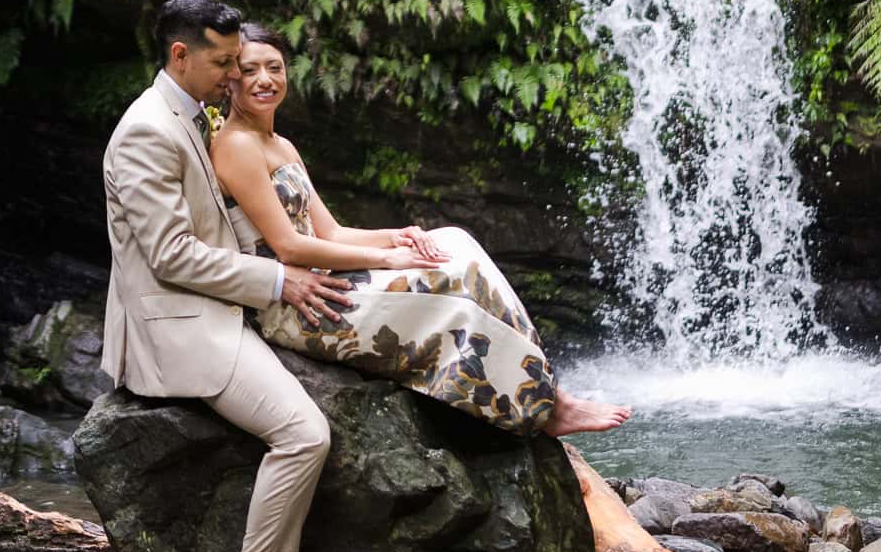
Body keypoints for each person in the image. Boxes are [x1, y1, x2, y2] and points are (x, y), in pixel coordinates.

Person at [101, 0, 355, 552]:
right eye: (222, 62)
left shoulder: (197, 111)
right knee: (305, 434)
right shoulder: (146, 131)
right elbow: (172, 256)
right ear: (180, 55)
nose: (235, 75)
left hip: (227, 302)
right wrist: (278, 280)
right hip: (183, 327)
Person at [211, 23, 631, 437]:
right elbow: (289, 247)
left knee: (454, 241)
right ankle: (547, 405)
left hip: (323, 282)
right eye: (249, 71)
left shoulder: (280, 144)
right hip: (298, 307)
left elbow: (332, 232)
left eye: (275, 67)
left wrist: (397, 234)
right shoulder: (237, 146)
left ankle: (546, 391)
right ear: (228, 78)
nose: (265, 80)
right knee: (458, 299)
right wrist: (388, 258)